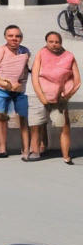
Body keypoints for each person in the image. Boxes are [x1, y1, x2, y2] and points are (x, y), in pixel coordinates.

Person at [30, 31, 80, 164]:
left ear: (61, 42)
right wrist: (41, 96)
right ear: (46, 42)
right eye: (50, 42)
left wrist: (67, 95)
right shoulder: (41, 53)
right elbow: (34, 76)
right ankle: (36, 151)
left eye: (56, 42)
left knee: (64, 127)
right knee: (37, 124)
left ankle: (66, 156)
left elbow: (77, 80)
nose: (54, 44)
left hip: (60, 98)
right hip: (41, 94)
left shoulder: (69, 56)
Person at [0, 25, 31, 160]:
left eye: (17, 36)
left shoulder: (25, 51)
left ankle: (26, 148)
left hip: (19, 89)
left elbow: (26, 69)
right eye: (11, 36)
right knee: (1, 118)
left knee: (23, 118)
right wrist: (2, 83)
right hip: (2, 89)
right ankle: (2, 148)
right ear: (6, 37)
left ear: (21, 38)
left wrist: (20, 85)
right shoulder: (1, 50)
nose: (14, 39)